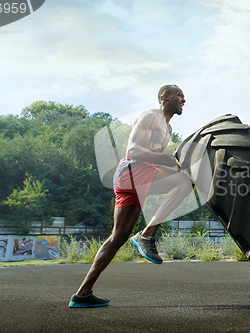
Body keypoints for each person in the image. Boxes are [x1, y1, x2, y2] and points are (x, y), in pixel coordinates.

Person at [69, 85, 193, 308]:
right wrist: (170, 159)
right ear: (165, 97)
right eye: (179, 96)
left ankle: (82, 294)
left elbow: (159, 157)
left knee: (118, 237)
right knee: (183, 182)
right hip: (133, 171)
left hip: (136, 177)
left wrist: (174, 161)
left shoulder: (168, 127)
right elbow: (134, 152)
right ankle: (146, 235)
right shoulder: (150, 116)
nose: (184, 100)